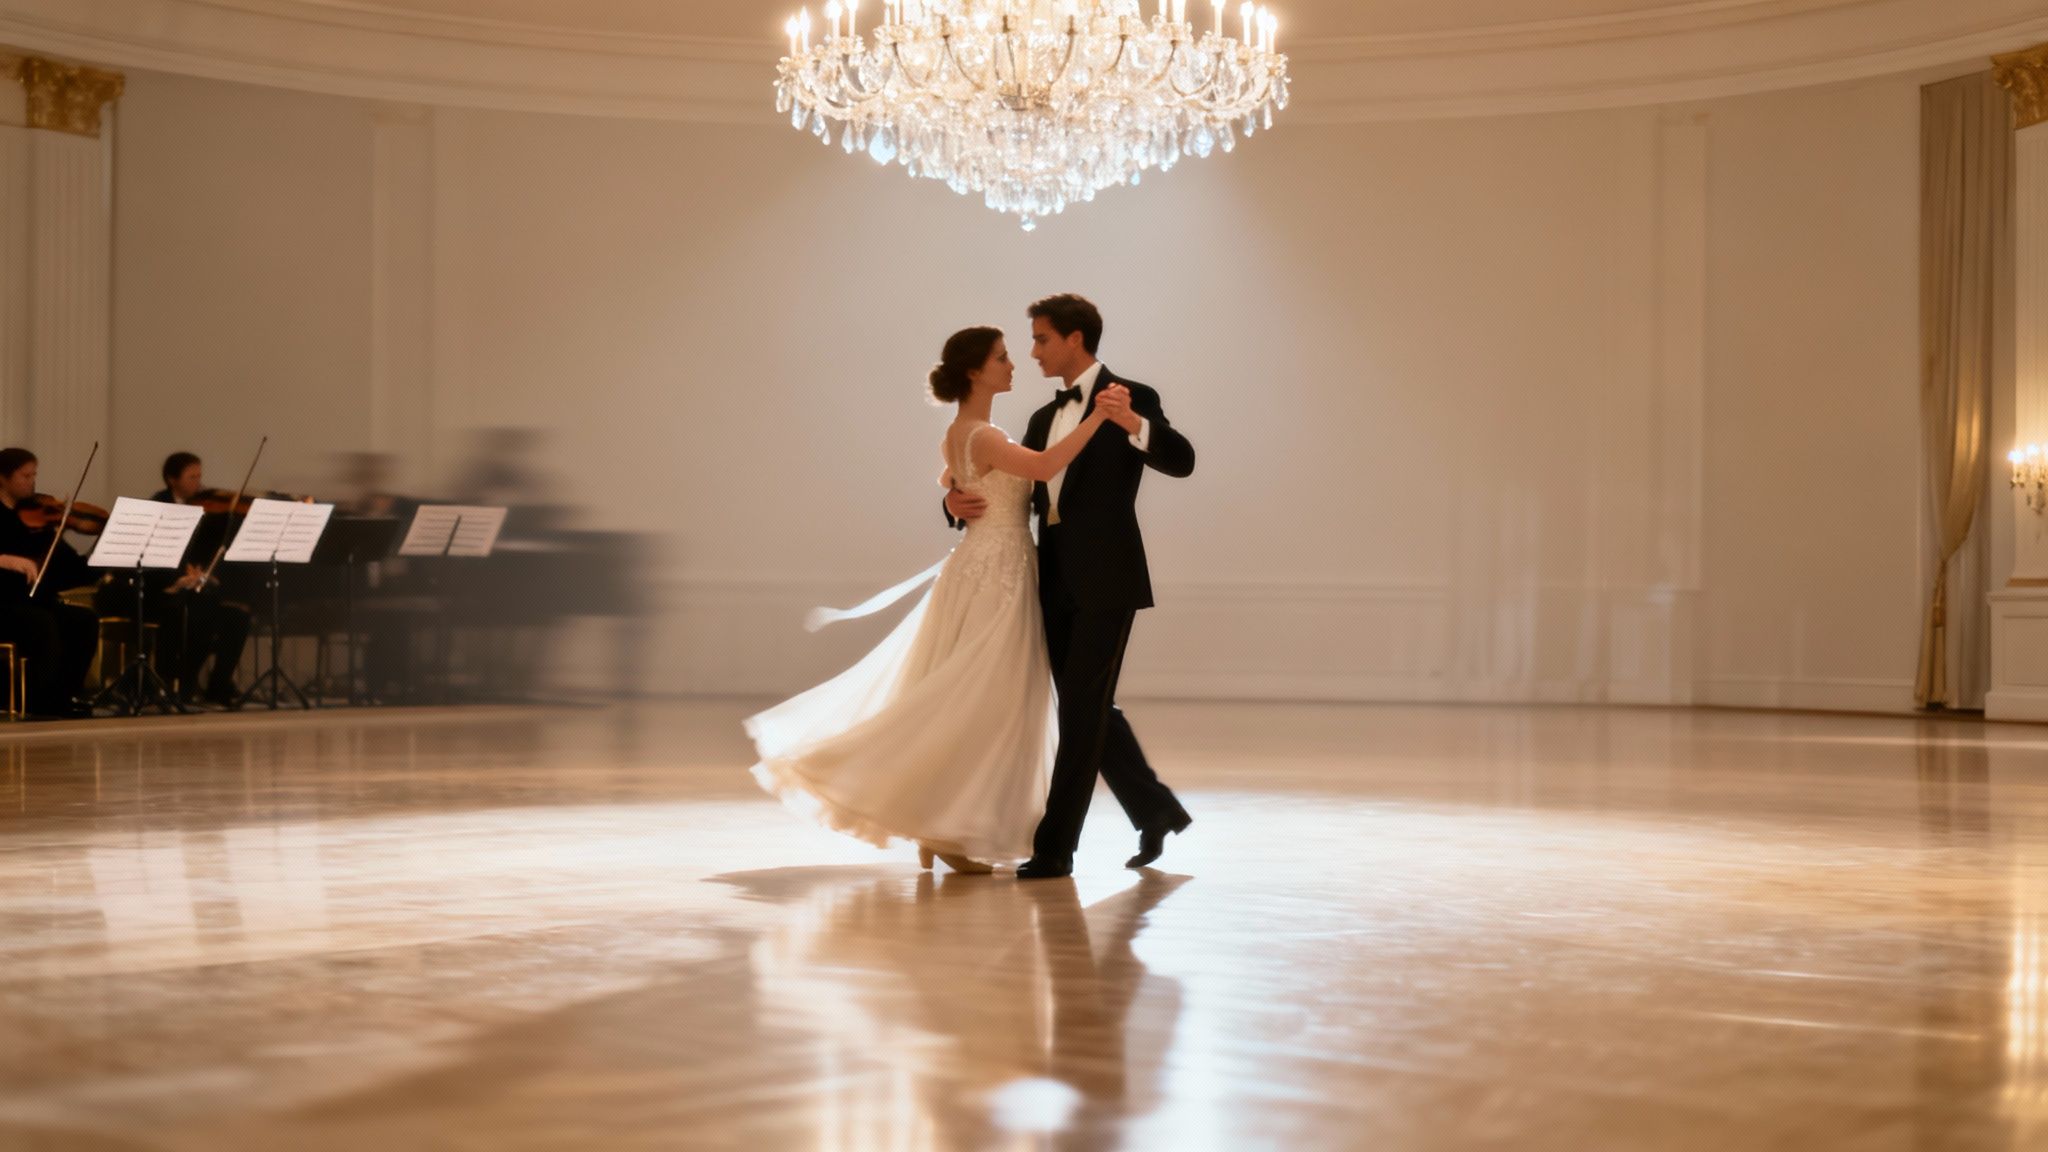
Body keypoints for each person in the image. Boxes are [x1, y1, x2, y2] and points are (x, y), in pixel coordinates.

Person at [747, 326, 1121, 871]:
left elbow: (950, 473)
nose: (1013, 364)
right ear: (975, 371)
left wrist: (952, 491)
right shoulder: (984, 435)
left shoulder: (963, 431)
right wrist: (1099, 417)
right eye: (1001, 358)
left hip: (981, 567)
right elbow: (1042, 468)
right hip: (999, 574)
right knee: (981, 701)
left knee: (970, 696)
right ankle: (945, 831)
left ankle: (940, 827)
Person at [946, 294, 1196, 879]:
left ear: (1075, 339)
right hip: (1047, 578)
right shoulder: (1040, 418)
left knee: (1082, 708)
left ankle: (1055, 850)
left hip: (1108, 578)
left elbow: (1182, 460)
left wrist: (1132, 422)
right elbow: (1002, 485)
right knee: (1085, 705)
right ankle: (1155, 809)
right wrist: (952, 501)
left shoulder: (1131, 395)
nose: (1032, 351)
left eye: (1041, 339)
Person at [0, 448, 99, 718]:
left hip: (35, 602)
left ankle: (63, 696)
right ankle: (36, 701)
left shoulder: (38, 518)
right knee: (43, 624)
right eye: (24, 476)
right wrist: (4, 559)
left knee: (84, 620)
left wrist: (102, 553)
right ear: (3, 479)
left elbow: (72, 571)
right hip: (4, 604)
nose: (32, 482)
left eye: (34, 475)